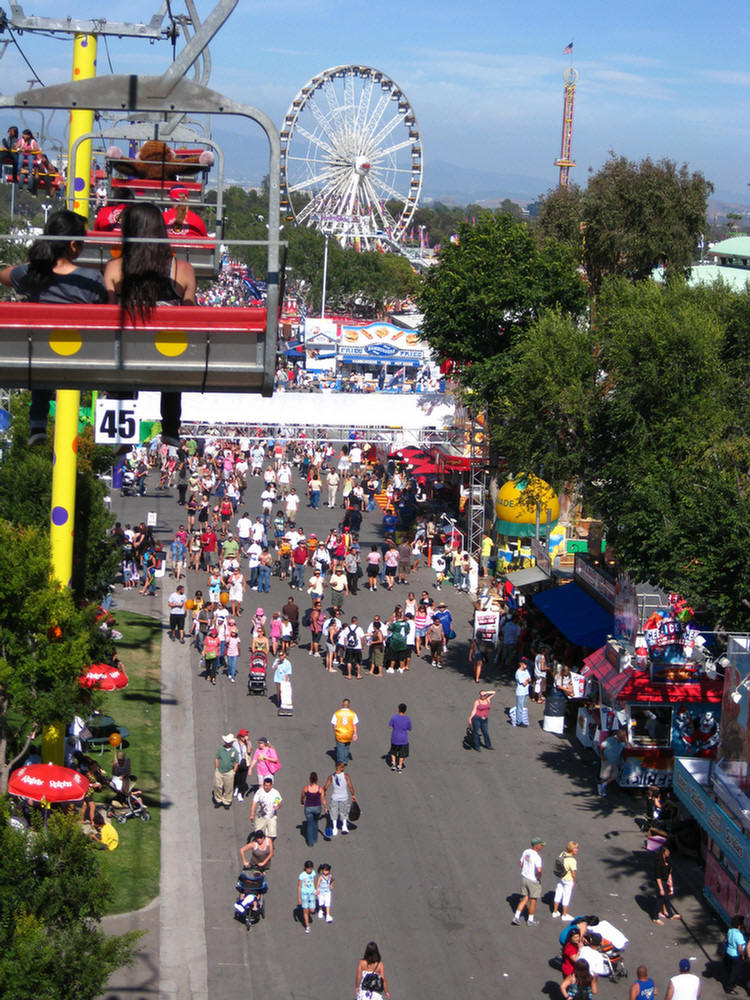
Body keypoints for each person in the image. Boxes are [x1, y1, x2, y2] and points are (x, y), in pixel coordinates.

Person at [0, 210, 107, 446]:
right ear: (72, 245)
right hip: (82, 354)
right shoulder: (91, 279)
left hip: (40, 357)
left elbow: (5, 276)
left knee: (43, 352)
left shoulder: (32, 274)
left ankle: (37, 422)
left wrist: (32, 265)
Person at [103, 202, 196, 447]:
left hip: (128, 354)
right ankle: (170, 427)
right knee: (173, 356)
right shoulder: (183, 270)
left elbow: (108, 314)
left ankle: (121, 429)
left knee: (122, 356)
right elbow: (190, 319)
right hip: (167, 356)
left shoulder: (115, 268)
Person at [512, 836, 544, 926]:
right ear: (537, 846)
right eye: (541, 845)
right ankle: (530, 920)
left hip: (524, 878)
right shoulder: (537, 857)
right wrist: (539, 877)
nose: (542, 847)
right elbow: (539, 870)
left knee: (525, 898)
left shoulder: (526, 852)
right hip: (533, 881)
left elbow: (521, 863)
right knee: (533, 900)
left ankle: (516, 917)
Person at [323, 761, 356, 836]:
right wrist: (353, 795)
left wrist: (323, 792)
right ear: (339, 767)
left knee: (334, 812)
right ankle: (344, 826)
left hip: (335, 797)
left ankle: (335, 828)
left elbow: (326, 787)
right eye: (343, 766)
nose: (344, 767)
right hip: (344, 797)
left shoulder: (331, 776)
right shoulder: (346, 776)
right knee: (343, 812)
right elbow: (350, 786)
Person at [653, 844, 680, 923]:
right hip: (660, 882)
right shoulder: (659, 863)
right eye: (667, 851)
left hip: (664, 882)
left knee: (666, 899)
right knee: (660, 900)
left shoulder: (667, 861)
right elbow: (657, 876)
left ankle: (671, 915)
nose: (669, 853)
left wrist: (670, 884)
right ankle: (655, 917)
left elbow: (669, 873)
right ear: (663, 853)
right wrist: (661, 888)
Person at [552, 841, 579, 920]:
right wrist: (574, 881)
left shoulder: (562, 854)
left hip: (560, 877)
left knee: (558, 893)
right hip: (568, 880)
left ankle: (555, 912)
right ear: (572, 849)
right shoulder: (572, 861)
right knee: (566, 896)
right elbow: (573, 873)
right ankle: (564, 915)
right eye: (576, 848)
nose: (577, 850)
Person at [598, 728, 628, 796]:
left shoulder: (623, 743)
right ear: (619, 736)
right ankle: (601, 789)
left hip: (615, 761)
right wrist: (602, 755)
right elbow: (602, 746)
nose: (625, 737)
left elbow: (629, 747)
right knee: (604, 776)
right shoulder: (610, 740)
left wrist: (626, 740)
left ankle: (603, 785)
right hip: (607, 760)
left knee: (614, 775)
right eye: (624, 736)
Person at [212, 733, 238, 809]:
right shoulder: (221, 749)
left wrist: (234, 771)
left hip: (229, 772)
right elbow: (217, 758)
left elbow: (236, 762)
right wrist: (216, 768)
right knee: (217, 786)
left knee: (228, 788)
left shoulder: (234, 751)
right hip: (219, 771)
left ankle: (227, 801)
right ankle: (218, 799)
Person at [300, 771, 325, 847]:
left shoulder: (306, 788)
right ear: (317, 779)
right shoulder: (320, 789)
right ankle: (315, 838)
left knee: (309, 824)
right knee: (316, 822)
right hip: (317, 808)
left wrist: (302, 802)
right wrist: (325, 807)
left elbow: (302, 796)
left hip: (308, 808)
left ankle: (310, 843)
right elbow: (323, 799)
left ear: (310, 779)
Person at [331, 698, 358, 764]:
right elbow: (355, 724)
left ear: (342, 704)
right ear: (349, 705)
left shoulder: (337, 713)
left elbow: (334, 724)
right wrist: (355, 734)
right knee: (346, 747)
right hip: (349, 734)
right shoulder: (352, 714)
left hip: (339, 733)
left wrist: (335, 731)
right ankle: (345, 760)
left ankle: (341, 761)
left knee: (340, 748)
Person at [725, 914, 747, 994]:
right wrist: (743, 956)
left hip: (729, 953)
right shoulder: (739, 935)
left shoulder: (730, 930)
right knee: (735, 972)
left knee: (731, 969)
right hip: (736, 956)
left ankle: (730, 983)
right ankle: (729, 987)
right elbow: (740, 948)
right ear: (739, 925)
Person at [388, 703, 412, 772]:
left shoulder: (394, 717)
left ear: (398, 709)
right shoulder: (407, 719)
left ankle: (393, 764)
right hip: (403, 739)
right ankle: (400, 766)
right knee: (402, 754)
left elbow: (390, 726)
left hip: (395, 738)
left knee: (393, 751)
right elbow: (409, 728)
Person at [297, 859, 316, 933]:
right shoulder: (302, 875)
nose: (310, 870)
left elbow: (313, 882)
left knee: (312, 910)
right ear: (305, 868)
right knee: (305, 910)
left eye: (311, 868)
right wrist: (299, 898)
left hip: (311, 893)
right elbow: (299, 887)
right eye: (309, 868)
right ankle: (307, 926)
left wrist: (315, 890)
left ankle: (307, 913)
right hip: (304, 894)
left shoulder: (313, 873)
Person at [513, 658, 531, 726]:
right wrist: (527, 680)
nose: (526, 665)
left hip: (526, 692)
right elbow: (524, 683)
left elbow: (530, 679)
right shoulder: (518, 673)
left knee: (522, 706)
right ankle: (519, 721)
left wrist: (527, 680)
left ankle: (520, 719)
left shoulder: (526, 671)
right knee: (520, 707)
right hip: (520, 692)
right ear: (521, 664)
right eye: (525, 664)